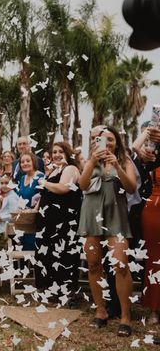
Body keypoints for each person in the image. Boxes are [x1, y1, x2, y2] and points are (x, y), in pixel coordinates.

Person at [78, 125, 138, 337]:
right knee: (94, 264)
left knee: (120, 264)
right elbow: (83, 185)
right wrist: (93, 162)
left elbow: (131, 188)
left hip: (115, 216)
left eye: (111, 139)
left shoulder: (124, 160)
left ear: (117, 142)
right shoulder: (90, 160)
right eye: (102, 139)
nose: (106, 143)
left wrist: (117, 167)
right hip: (91, 215)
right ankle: (100, 311)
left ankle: (125, 317)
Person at [34, 141, 82, 306]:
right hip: (48, 221)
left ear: (68, 153)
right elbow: (45, 195)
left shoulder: (71, 169)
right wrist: (35, 209)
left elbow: (63, 188)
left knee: (65, 254)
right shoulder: (55, 170)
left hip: (64, 221)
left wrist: (43, 182)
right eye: (54, 152)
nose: (56, 155)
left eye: (60, 151)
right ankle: (53, 291)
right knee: (49, 254)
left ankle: (69, 293)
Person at [134, 124, 160, 323]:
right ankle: (153, 308)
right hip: (154, 207)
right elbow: (135, 146)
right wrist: (149, 131)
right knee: (153, 259)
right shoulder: (154, 152)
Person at [15, 152, 44, 250]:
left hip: (35, 219)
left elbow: (43, 196)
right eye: (22, 162)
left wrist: (34, 211)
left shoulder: (40, 176)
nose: (25, 163)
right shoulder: (23, 178)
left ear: (34, 162)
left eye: (28, 161)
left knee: (32, 249)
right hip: (24, 218)